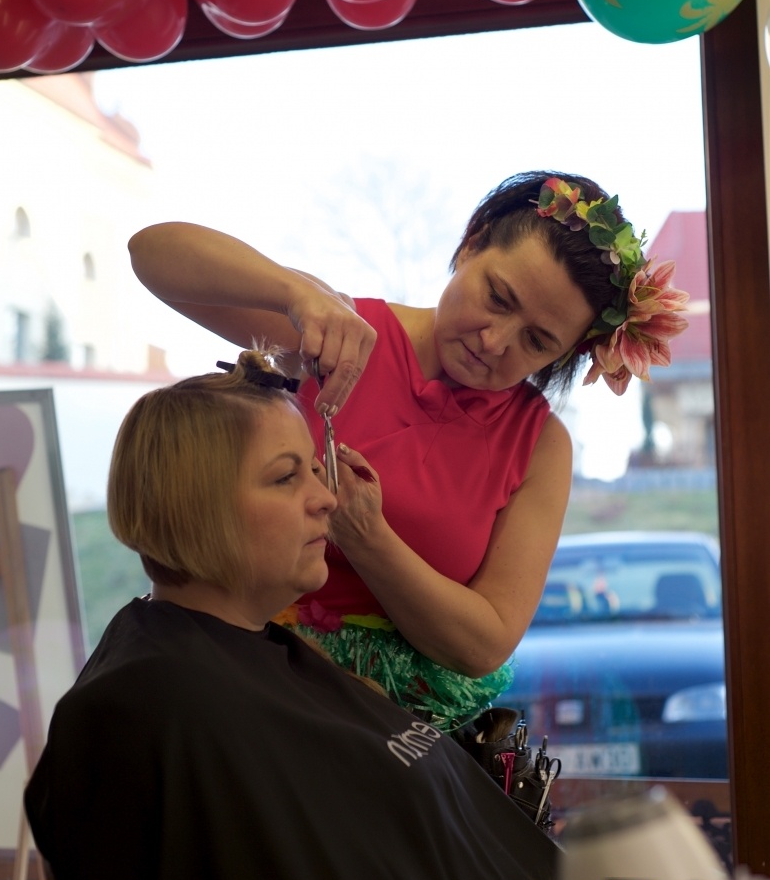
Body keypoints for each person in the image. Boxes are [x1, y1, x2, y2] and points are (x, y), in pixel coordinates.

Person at [127, 172, 688, 728]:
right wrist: (295, 294)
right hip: (257, 682)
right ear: (471, 245)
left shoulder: (539, 444)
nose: (494, 341)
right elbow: (151, 253)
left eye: (537, 341)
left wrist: (369, 539)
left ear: (563, 356)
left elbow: (484, 643)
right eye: (497, 297)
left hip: (412, 733)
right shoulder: (340, 334)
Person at [24, 356, 561, 880]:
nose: (328, 498)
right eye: (286, 476)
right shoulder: (146, 706)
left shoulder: (273, 657)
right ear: (195, 507)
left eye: (313, 468)